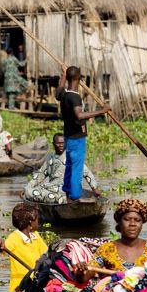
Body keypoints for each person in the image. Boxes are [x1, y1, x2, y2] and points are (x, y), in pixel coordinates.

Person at [75, 199, 147, 281]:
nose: (132, 224)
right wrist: (81, 272)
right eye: (127, 219)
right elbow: (86, 276)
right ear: (119, 222)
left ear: (142, 224)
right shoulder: (107, 249)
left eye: (137, 220)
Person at [56, 66, 109, 202]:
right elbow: (79, 115)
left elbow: (58, 93)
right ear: (79, 79)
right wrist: (101, 111)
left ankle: (67, 193)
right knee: (77, 169)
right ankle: (74, 198)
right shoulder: (74, 97)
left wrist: (63, 77)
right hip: (77, 139)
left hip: (69, 137)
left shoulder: (64, 95)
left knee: (70, 166)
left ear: (67, 78)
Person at [23, 133, 100, 204]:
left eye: (63, 143)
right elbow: (40, 174)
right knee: (28, 191)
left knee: (65, 194)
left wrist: (95, 188)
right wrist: (28, 187)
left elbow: (86, 172)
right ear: (53, 144)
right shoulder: (50, 157)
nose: (61, 145)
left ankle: (64, 199)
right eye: (58, 143)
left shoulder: (71, 156)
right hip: (51, 188)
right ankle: (61, 200)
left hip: (64, 190)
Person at [0, 202, 48, 292]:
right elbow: (3, 247)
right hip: (21, 285)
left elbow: (46, 253)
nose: (39, 222)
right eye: (37, 219)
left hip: (37, 280)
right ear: (30, 222)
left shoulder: (35, 235)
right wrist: (0, 245)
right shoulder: (14, 238)